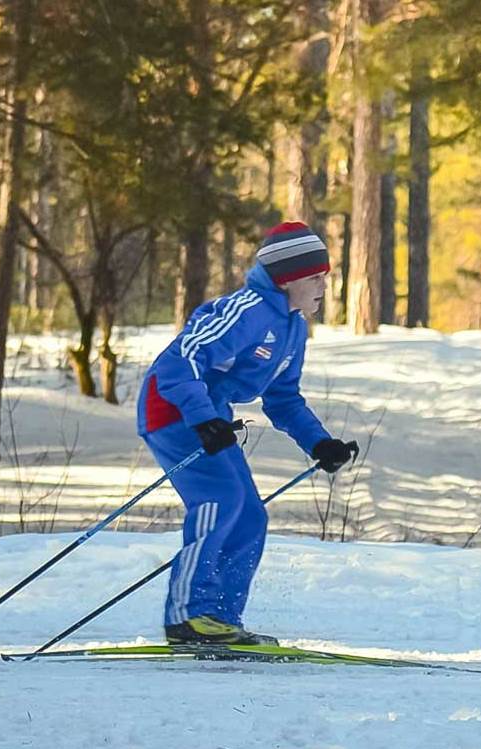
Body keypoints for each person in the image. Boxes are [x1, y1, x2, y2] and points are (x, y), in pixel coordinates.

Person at [137, 221, 359, 645]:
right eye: (315, 276)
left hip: (209, 414)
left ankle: (220, 620)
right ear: (288, 278)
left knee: (251, 513)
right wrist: (203, 418)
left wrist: (320, 443)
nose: (323, 286)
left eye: (324, 277)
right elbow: (179, 362)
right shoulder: (248, 311)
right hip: (171, 409)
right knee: (220, 499)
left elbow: (283, 398)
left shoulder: (294, 328)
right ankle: (188, 617)